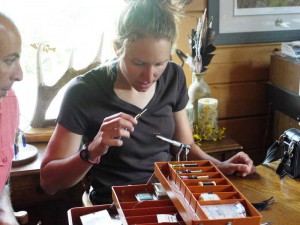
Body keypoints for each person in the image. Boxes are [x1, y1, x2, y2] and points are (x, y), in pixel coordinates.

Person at [40, 0, 255, 205]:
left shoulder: (173, 77)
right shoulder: (84, 92)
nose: (149, 76)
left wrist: (221, 166)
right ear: (118, 48)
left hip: (169, 199)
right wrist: (93, 150)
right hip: (114, 207)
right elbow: (49, 182)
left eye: (160, 63)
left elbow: (186, 148)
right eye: (138, 63)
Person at [0, 12, 23, 225]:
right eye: (9, 61)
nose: (20, 75)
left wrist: (5, 213)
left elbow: (2, 181)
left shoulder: (9, 102)